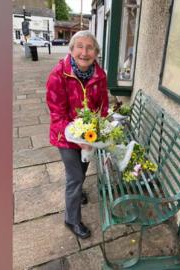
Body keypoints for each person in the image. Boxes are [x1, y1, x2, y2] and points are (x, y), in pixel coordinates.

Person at [46, 31, 108, 239]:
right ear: (71, 50)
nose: (84, 52)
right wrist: (78, 137)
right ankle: (71, 219)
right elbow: (57, 113)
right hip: (65, 136)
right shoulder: (58, 74)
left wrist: (101, 129)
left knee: (82, 168)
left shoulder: (100, 75)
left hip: (89, 136)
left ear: (96, 53)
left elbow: (103, 105)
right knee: (74, 177)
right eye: (79, 46)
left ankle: (79, 191)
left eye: (90, 47)